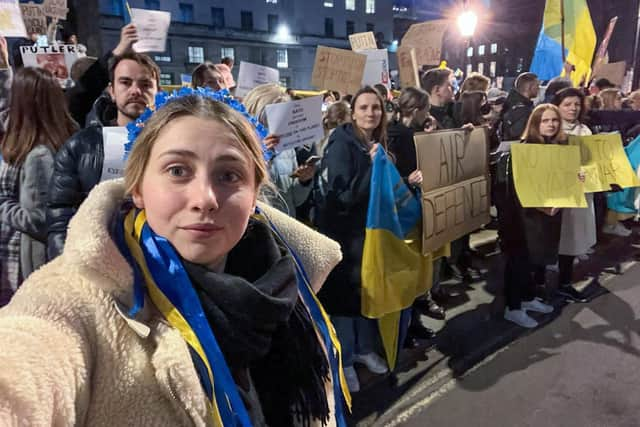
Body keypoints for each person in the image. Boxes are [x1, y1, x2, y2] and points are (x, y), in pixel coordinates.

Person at [0, 92, 347, 425]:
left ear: (255, 192)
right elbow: (28, 359)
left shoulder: (289, 283)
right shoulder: (79, 298)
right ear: (137, 186)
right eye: (178, 171)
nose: (205, 198)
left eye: (229, 175)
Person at [46, 52, 160, 260]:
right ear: (112, 91)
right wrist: (70, 267)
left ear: (157, 91)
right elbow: (60, 214)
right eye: (126, 82)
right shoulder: (80, 146)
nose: (136, 91)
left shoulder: (177, 144)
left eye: (145, 84)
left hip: (164, 269)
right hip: (99, 264)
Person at [315, 86, 389, 392]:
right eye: (364, 108)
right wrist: (373, 167)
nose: (370, 113)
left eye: (376, 108)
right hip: (344, 236)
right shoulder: (342, 144)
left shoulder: (370, 142)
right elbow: (342, 196)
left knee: (364, 293)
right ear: (353, 111)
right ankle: (343, 360)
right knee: (345, 299)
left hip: (366, 234)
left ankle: (362, 349)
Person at [0, 68, 78, 305]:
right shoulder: (26, 142)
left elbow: (40, 219)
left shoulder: (39, 156)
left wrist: (2, 205)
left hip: (23, 269)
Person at [495, 104, 570, 328]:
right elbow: (520, 188)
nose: (551, 124)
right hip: (522, 217)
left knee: (533, 261)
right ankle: (513, 307)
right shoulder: (525, 148)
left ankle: (527, 299)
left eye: (554, 120)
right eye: (545, 121)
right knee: (518, 260)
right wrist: (544, 207)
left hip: (546, 215)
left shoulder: (557, 148)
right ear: (535, 124)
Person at [387, 87, 444, 333]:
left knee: (420, 263)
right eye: (427, 108)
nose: (429, 112)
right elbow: (386, 174)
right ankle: (408, 325)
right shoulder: (395, 136)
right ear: (418, 109)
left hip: (417, 204)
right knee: (408, 265)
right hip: (403, 208)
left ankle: (416, 314)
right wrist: (406, 179)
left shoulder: (415, 132)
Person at [243, 83, 316, 217]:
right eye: (268, 119)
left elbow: (294, 199)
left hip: (285, 225)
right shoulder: (240, 144)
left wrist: (303, 181)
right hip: (257, 224)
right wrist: (261, 156)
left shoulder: (287, 148)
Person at [551, 88, 594, 302]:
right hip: (554, 193)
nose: (573, 108)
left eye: (576, 104)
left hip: (579, 192)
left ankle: (564, 283)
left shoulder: (585, 130)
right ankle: (538, 286)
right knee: (549, 239)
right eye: (568, 104)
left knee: (570, 239)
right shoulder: (551, 128)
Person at [501, 72, 539, 141]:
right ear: (529, 87)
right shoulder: (522, 110)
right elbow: (517, 135)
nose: (538, 89)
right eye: (537, 85)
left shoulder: (510, 103)